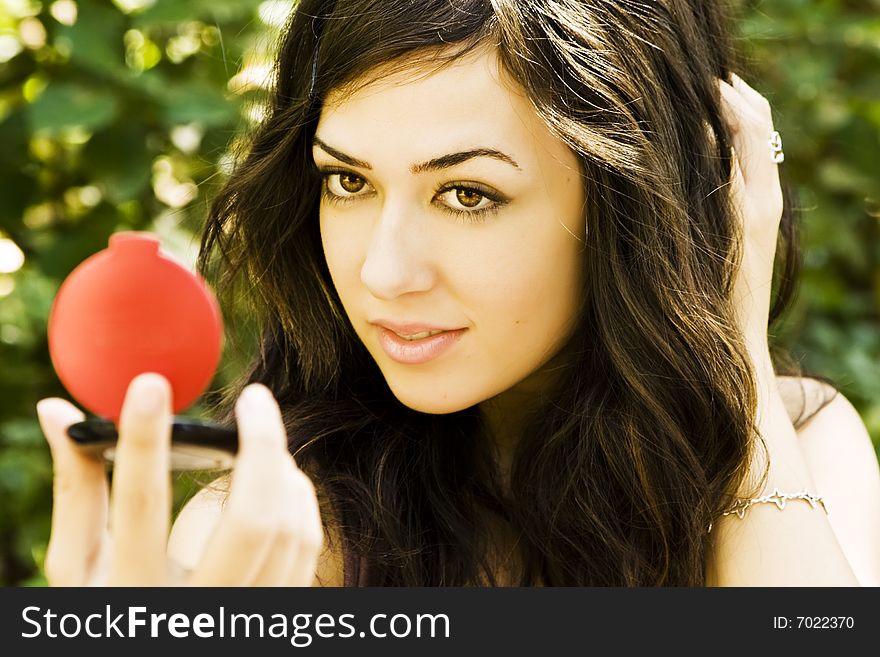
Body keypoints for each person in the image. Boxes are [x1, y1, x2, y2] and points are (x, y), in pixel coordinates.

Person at [36, 0, 880, 586]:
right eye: (347, 181)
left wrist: (734, 354)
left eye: (467, 194)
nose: (383, 272)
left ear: (642, 207)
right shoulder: (288, 525)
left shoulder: (801, 440)